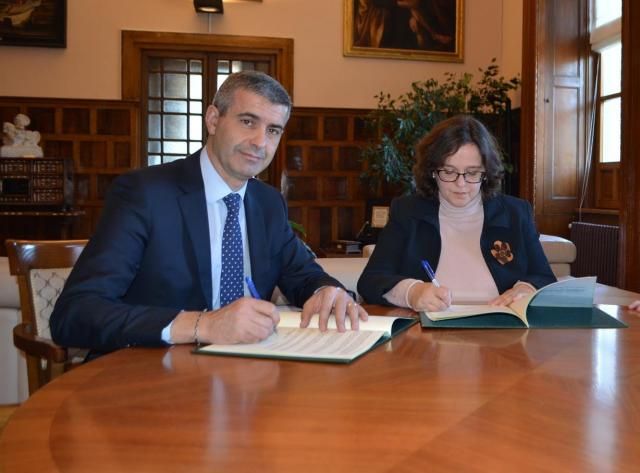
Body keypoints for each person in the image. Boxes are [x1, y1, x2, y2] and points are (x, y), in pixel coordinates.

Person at [51, 71, 367, 357]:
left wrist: (326, 291)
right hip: (150, 377)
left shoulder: (268, 203)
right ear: (213, 120)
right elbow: (75, 313)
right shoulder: (145, 194)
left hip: (249, 380)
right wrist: (204, 325)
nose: (260, 142)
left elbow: (303, 274)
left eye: (273, 130)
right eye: (247, 121)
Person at [357, 115, 557, 312]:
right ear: (433, 171)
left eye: (472, 173)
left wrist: (525, 288)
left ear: (486, 173)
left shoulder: (515, 213)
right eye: (449, 172)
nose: (460, 184)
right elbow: (370, 282)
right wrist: (412, 292)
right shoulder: (408, 212)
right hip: (426, 335)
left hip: (501, 334)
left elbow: (545, 278)